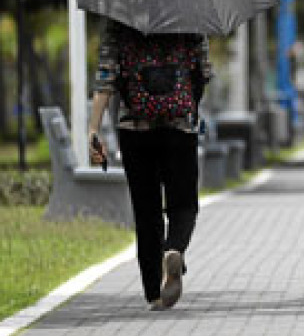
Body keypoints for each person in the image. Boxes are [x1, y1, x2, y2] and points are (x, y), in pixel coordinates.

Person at [88, 19, 213, 311]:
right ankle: (174, 249)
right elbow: (203, 74)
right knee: (184, 205)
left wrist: (93, 129)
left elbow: (105, 79)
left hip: (134, 129)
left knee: (147, 213)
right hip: (179, 128)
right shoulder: (191, 18)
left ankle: (153, 292)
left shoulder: (119, 23)